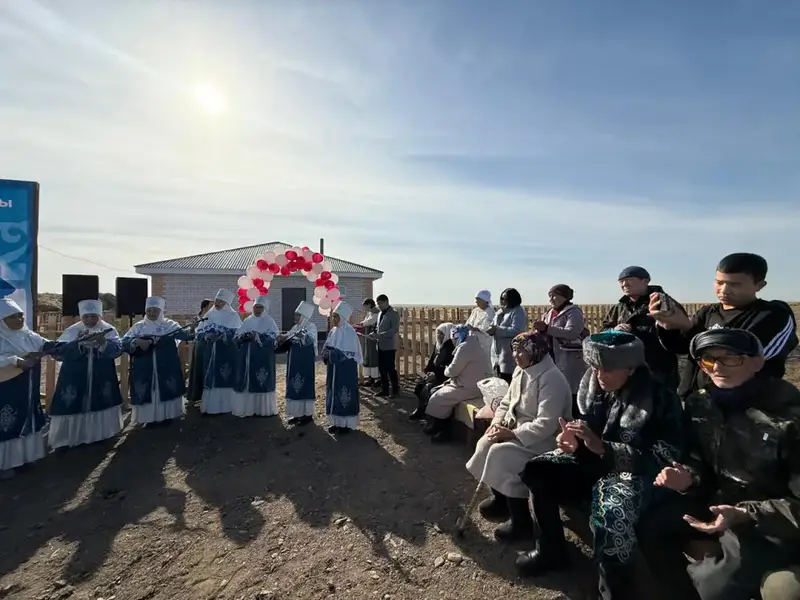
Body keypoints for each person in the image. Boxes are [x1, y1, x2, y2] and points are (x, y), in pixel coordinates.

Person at [516, 331, 684, 600]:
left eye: (607, 369)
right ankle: (550, 550)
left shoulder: (660, 398)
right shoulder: (593, 387)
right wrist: (572, 442)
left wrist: (604, 448)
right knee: (540, 469)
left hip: (638, 474)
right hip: (595, 462)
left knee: (611, 509)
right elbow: (587, 434)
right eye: (594, 368)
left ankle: (613, 590)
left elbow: (666, 457)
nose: (599, 375)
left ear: (630, 367)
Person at [643, 329, 800, 600]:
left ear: (758, 362)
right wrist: (688, 477)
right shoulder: (700, 403)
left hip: (767, 520)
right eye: (708, 359)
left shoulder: (789, 416)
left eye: (731, 358)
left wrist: (745, 514)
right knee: (650, 527)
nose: (717, 367)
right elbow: (698, 458)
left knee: (715, 585)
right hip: (714, 503)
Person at [465, 330, 572, 542]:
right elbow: (505, 402)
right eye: (514, 350)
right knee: (486, 443)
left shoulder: (552, 378)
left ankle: (520, 520)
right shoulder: (521, 371)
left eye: (521, 351)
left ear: (536, 351)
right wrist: (496, 425)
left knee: (502, 455)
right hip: (516, 430)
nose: (515, 355)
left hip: (545, 440)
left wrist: (512, 434)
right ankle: (501, 499)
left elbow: (547, 423)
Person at [651, 253, 798, 400]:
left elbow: (745, 354)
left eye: (735, 284)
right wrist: (669, 326)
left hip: (747, 405)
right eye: (719, 282)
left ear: (759, 285)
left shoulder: (774, 314)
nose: (724, 290)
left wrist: (687, 326)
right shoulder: (708, 312)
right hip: (696, 399)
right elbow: (683, 348)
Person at [49, 299, 125, 449]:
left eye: (93, 316)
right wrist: (79, 345)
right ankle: (68, 439)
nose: (90, 320)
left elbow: (118, 349)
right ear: (81, 316)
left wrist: (103, 343)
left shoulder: (109, 330)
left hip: (101, 374)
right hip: (75, 374)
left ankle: (100, 435)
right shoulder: (72, 331)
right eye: (86, 316)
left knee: (101, 400)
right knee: (72, 403)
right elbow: (58, 352)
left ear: (99, 316)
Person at [601, 266, 680, 389]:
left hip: (659, 368)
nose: (624, 284)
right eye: (621, 281)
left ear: (645, 281)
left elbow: (679, 333)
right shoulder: (619, 308)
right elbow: (604, 331)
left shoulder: (663, 303)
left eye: (630, 279)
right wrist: (614, 331)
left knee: (661, 404)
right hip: (627, 368)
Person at [120, 296, 194, 426]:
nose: (152, 313)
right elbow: (124, 342)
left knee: (166, 388)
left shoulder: (170, 325)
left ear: (161, 311)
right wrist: (137, 341)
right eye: (149, 311)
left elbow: (185, 335)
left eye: (155, 310)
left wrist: (193, 328)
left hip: (166, 366)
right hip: (144, 367)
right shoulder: (139, 327)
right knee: (147, 390)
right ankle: (148, 419)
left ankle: (167, 416)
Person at [0, 298, 51, 478]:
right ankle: (4, 465)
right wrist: (16, 361)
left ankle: (22, 459)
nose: (19, 320)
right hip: (6, 390)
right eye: (12, 317)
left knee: (26, 420)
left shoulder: (28, 335)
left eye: (21, 315)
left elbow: (48, 345)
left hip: (28, 390)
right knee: (7, 424)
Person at [424, 325, 492, 443]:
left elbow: (452, 371)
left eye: (454, 338)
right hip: (472, 383)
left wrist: (446, 370)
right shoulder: (473, 344)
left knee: (439, 396)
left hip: (469, 386)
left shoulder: (465, 348)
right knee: (436, 391)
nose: (453, 341)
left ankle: (445, 432)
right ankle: (436, 425)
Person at [532, 284, 587, 404]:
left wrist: (547, 328)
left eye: (554, 296)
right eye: (549, 296)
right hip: (551, 356)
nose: (551, 299)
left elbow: (572, 332)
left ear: (564, 297)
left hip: (569, 357)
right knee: (556, 389)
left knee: (570, 390)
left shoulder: (573, 312)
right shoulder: (549, 313)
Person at [231, 296, 279, 418]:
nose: (257, 310)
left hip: (262, 357)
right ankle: (248, 409)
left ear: (264, 308)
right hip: (247, 357)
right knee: (247, 381)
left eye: (260, 307)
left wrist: (258, 336)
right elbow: (237, 336)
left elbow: (274, 338)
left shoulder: (270, 321)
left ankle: (262, 410)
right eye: (255, 307)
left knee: (261, 380)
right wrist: (244, 337)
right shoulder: (247, 320)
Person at [196, 289, 241, 415]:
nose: (218, 303)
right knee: (211, 378)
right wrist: (206, 336)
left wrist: (222, 335)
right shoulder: (209, 315)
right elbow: (199, 331)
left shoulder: (233, 316)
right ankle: (211, 407)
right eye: (217, 300)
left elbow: (237, 334)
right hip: (210, 352)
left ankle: (228, 406)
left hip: (226, 353)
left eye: (221, 301)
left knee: (225, 376)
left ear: (226, 303)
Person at [322, 301, 363, 434]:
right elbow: (327, 346)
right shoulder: (333, 331)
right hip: (334, 370)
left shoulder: (349, 332)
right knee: (333, 392)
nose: (333, 319)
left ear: (343, 317)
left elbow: (349, 352)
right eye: (333, 316)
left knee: (344, 392)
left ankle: (346, 424)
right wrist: (326, 353)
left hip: (346, 370)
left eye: (336, 317)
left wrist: (333, 354)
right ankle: (336, 422)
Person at [275, 301, 318, 426]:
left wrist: (298, 337)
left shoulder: (311, 326)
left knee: (304, 385)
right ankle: (297, 413)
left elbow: (310, 340)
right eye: (295, 315)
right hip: (293, 362)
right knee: (294, 385)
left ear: (304, 316)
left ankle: (307, 415)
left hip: (304, 362)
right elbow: (289, 336)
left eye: (298, 315)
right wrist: (282, 337)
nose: (295, 317)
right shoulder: (295, 327)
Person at [410, 322, 455, 421]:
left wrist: (435, 374)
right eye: (438, 333)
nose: (439, 336)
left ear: (448, 334)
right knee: (419, 386)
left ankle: (428, 415)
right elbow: (432, 360)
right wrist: (427, 371)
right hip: (434, 374)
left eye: (442, 334)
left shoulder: (451, 347)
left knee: (428, 388)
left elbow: (449, 366)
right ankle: (421, 410)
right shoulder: (439, 345)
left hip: (445, 377)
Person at [489, 288, 527, 383]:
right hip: (497, 354)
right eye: (501, 298)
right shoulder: (500, 311)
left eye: (505, 299)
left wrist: (497, 330)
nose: (502, 301)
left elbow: (518, 330)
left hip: (509, 353)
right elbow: (493, 325)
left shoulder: (518, 311)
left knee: (509, 382)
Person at [186, 298, 214, 405]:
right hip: (200, 346)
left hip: (210, 347)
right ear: (204, 307)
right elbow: (190, 333)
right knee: (198, 369)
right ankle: (197, 395)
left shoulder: (212, 318)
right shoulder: (197, 319)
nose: (212, 307)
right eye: (210, 305)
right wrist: (192, 328)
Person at [372, 294, 400, 398]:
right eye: (378, 304)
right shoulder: (380, 314)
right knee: (382, 368)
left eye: (380, 303)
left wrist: (379, 335)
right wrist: (374, 333)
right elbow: (378, 327)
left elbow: (394, 330)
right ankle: (385, 390)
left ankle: (395, 390)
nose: (379, 306)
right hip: (380, 345)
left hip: (389, 346)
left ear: (386, 302)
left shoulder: (394, 314)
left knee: (390, 368)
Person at [465, 290, 496, 360]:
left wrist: (475, 328)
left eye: (478, 300)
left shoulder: (490, 312)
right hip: (472, 342)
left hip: (484, 343)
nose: (476, 302)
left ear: (484, 300)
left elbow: (488, 328)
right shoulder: (475, 311)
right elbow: (468, 322)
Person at [358, 298, 380, 387]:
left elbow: (369, 322)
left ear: (369, 304)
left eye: (365, 306)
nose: (364, 308)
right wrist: (361, 323)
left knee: (374, 357)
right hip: (368, 338)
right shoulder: (369, 313)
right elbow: (365, 321)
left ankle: (377, 378)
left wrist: (361, 324)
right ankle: (370, 378)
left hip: (374, 339)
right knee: (368, 357)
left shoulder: (376, 313)